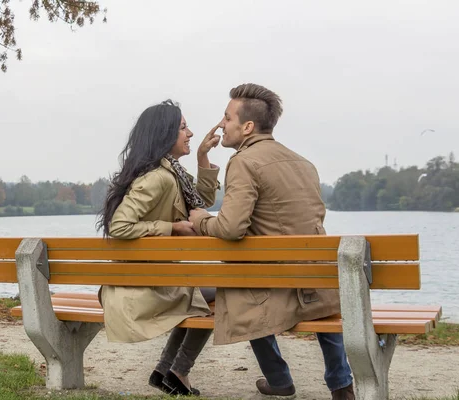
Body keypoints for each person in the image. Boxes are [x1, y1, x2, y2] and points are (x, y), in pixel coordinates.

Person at [188, 84, 355, 400]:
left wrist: (199, 219)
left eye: (227, 117)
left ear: (247, 126)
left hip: (272, 287)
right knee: (318, 292)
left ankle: (279, 379)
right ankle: (341, 383)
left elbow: (232, 227)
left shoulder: (243, 161)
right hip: (318, 283)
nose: (221, 124)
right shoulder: (304, 163)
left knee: (236, 288)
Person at [96, 99, 220, 396]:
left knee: (208, 293)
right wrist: (171, 228)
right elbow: (120, 227)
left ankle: (166, 370)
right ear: (164, 134)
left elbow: (201, 203)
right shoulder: (157, 178)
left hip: (145, 283)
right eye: (183, 127)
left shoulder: (170, 171)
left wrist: (202, 157)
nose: (190, 133)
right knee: (228, 291)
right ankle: (177, 371)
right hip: (139, 292)